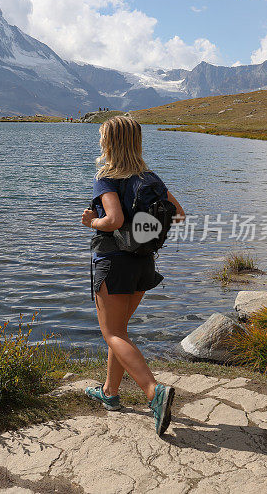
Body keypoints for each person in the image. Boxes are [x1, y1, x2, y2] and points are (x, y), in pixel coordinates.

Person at [80, 115, 185, 436]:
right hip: (143, 262)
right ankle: (110, 393)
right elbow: (179, 214)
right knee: (120, 331)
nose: (100, 141)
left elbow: (112, 219)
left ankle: (154, 391)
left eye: (102, 137)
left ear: (109, 143)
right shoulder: (151, 178)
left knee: (112, 333)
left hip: (113, 262)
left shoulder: (107, 178)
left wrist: (91, 222)